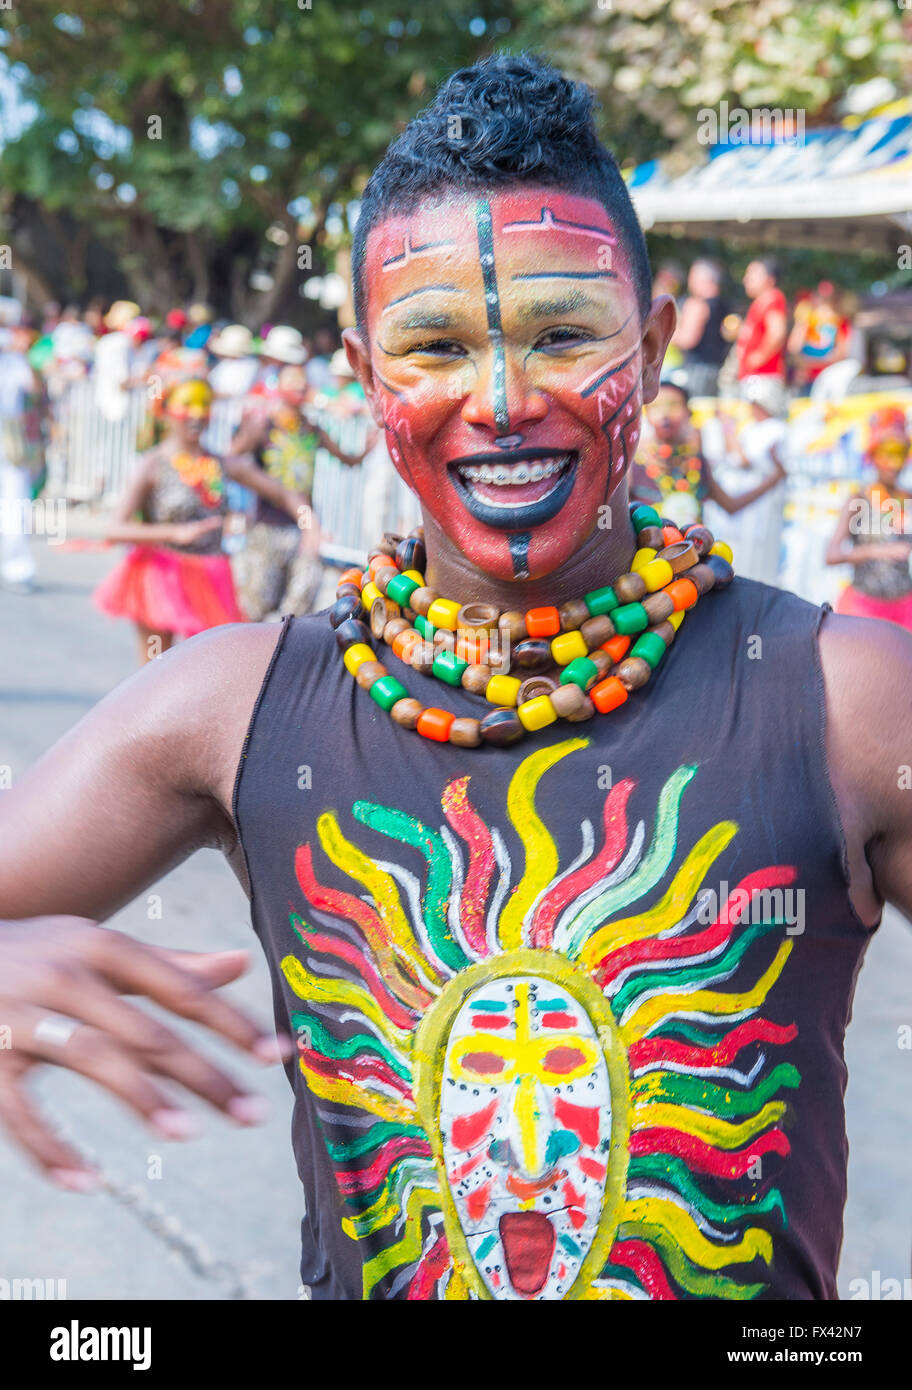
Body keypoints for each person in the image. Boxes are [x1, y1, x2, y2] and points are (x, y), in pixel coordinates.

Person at [3, 54, 912, 1305]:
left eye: (561, 335)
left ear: (649, 348)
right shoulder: (232, 706)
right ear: (368, 368)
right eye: (434, 344)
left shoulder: (845, 699)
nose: (500, 400)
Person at [92, 378, 246, 663]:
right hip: (160, 574)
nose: (197, 414)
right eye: (187, 404)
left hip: (210, 576)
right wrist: (174, 533)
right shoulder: (152, 464)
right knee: (155, 670)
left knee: (207, 668)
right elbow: (115, 529)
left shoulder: (221, 463)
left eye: (204, 405)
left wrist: (307, 519)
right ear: (165, 410)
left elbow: (281, 491)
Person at [224, 363, 373, 620]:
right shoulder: (263, 426)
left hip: (304, 529)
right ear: (278, 386)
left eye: (302, 379)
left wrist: (366, 449)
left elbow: (348, 460)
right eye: (291, 379)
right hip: (267, 527)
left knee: (298, 605)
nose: (298, 385)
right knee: (256, 605)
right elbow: (230, 461)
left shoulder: (311, 429)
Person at [631, 379, 786, 531]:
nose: (664, 414)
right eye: (656, 407)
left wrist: (774, 478)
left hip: (692, 551)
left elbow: (731, 506)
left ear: (688, 412)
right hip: (648, 554)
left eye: (673, 405)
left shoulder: (697, 461)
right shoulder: (634, 461)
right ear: (647, 413)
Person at [825, 406, 912, 629]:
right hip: (864, 609)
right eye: (887, 453)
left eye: (900, 453)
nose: (894, 464)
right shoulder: (860, 499)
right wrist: (876, 551)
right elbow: (831, 555)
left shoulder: (908, 499)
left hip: (905, 609)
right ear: (873, 455)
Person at [704, 377, 789, 587]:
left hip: (761, 505)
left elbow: (743, 459)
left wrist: (727, 428)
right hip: (742, 506)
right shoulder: (751, 427)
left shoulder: (775, 428)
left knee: (757, 561)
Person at [0, 324, 43, 594]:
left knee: (16, 500)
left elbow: (34, 389)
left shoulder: (13, 359)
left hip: (9, 437)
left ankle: (17, 566)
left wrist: (23, 354)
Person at [671, 259, 730, 399]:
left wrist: (666, 333)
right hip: (718, 368)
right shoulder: (725, 305)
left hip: (697, 370)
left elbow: (688, 339)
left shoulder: (697, 305)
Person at [736, 258, 788, 396]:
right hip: (756, 378)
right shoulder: (761, 301)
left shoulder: (772, 298)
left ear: (770, 279)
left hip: (763, 378)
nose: (746, 279)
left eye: (752, 274)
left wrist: (758, 358)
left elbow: (778, 333)